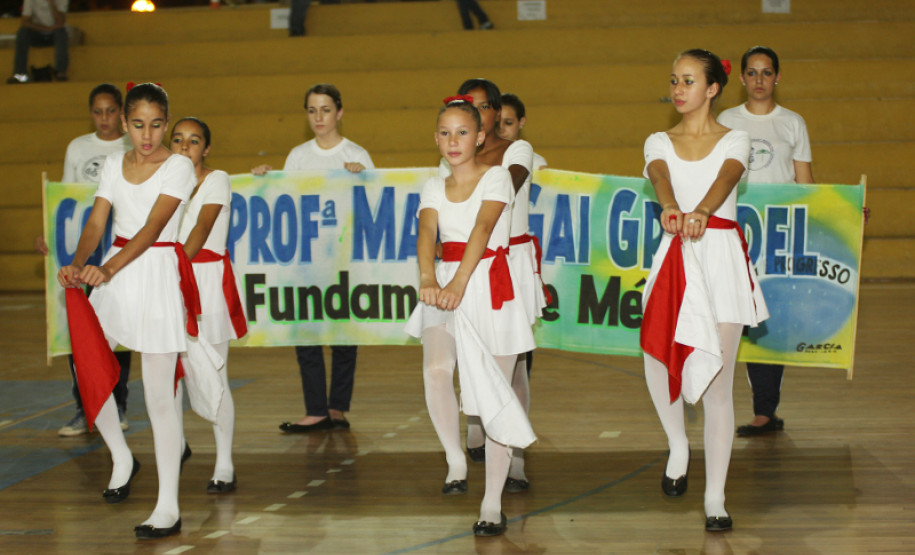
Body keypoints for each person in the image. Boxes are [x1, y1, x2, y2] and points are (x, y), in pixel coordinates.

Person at [58, 83, 197, 539]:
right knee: (87, 366)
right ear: (123, 123)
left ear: (166, 123)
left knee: (160, 398)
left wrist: (107, 268)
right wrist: (79, 265)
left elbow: (155, 227)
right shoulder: (115, 164)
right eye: (138, 124)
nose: (148, 135)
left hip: (152, 273)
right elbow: (97, 220)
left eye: (157, 125)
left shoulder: (178, 166)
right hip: (115, 275)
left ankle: (168, 507)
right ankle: (121, 455)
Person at [640, 49, 768, 532]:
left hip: (719, 259)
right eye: (673, 79)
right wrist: (672, 205)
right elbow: (659, 174)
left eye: (688, 80)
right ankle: (677, 442)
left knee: (718, 381)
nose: (677, 88)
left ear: (712, 88)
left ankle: (715, 497)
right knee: (655, 356)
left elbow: (728, 174)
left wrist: (703, 212)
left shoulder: (736, 136)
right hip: (674, 258)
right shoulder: (658, 139)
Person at [405, 97, 535, 536]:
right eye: (444, 133)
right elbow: (427, 233)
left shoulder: (496, 176)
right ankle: (455, 458)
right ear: (435, 138)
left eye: (463, 132)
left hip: (486, 285)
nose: (453, 141)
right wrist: (429, 277)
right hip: (444, 281)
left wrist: (458, 284)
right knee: (437, 370)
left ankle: (491, 502)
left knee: (494, 396)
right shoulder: (432, 185)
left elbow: (482, 229)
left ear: (480, 136)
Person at [252, 83, 373, 433]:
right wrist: (264, 181)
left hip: (345, 256)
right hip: (305, 259)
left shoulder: (358, 155)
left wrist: (362, 179)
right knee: (305, 332)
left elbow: (374, 202)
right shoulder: (298, 156)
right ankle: (316, 408)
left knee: (344, 335)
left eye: (325, 109)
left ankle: (337, 407)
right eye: (311, 110)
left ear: (339, 112)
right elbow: (283, 201)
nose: (318, 117)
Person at [442, 79, 543, 493]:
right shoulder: (451, 158)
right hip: (465, 262)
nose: (478, 113)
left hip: (509, 262)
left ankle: (515, 456)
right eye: (469, 105)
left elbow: (510, 184)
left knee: (515, 363)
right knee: (467, 349)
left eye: (485, 107)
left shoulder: (516, 150)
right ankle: (474, 421)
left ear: (497, 113)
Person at [717, 46, 812, 437]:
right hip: (733, 234)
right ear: (741, 78)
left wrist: (841, 212)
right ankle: (713, 398)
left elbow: (806, 184)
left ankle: (765, 411)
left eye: (766, 72)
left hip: (777, 239)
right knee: (729, 318)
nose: (759, 80)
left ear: (777, 78)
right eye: (752, 73)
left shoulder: (792, 123)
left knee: (766, 321)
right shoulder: (726, 120)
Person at [171, 117, 246, 493]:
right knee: (168, 373)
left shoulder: (218, 179)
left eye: (194, 141)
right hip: (169, 281)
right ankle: (176, 445)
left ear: (206, 148)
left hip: (204, 281)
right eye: (178, 140)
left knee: (215, 373)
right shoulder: (162, 184)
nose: (185, 147)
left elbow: (201, 228)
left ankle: (224, 461)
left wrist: (170, 267)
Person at [54, 83, 133, 437]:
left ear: (121, 111)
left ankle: (118, 403)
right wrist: (49, 232)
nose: (104, 119)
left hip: (116, 253)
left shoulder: (132, 146)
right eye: (98, 112)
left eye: (111, 111)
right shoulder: (77, 148)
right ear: (91, 113)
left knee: (116, 330)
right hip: (82, 249)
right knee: (82, 329)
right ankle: (83, 407)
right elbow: (63, 200)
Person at [7, 0, 69, 84]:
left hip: (55, 34)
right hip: (37, 33)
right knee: (23, 32)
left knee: (61, 32)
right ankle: (20, 75)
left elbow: (61, 22)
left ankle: (60, 72)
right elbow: (24, 21)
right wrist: (45, 29)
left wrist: (51, 3)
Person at [498, 93, 548, 170]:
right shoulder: (476, 157)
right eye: (496, 123)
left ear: (521, 122)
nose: (501, 128)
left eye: (508, 123)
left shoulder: (536, 163)